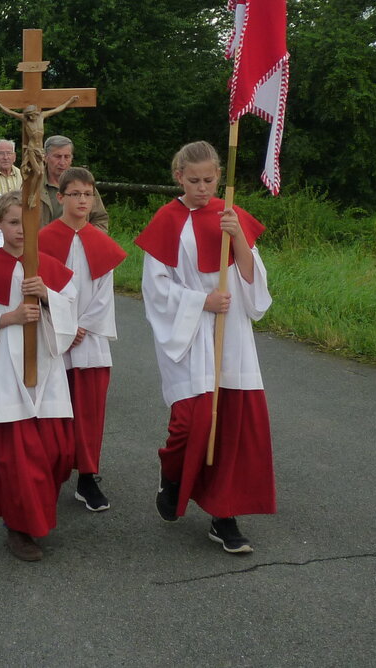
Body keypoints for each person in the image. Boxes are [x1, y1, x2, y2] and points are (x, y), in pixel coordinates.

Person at [135, 140, 275, 555]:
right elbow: (155, 289)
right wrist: (200, 302)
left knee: (230, 427)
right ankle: (173, 474)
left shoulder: (231, 216)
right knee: (190, 422)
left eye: (209, 180)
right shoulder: (168, 219)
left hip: (230, 334)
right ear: (179, 177)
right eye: (193, 180)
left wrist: (241, 241)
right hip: (190, 333)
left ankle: (223, 514)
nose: (202, 188)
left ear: (219, 177)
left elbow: (255, 287)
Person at [0, 191, 76, 562]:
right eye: (13, 222)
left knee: (58, 451)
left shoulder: (48, 265)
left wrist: (46, 297)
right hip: (7, 374)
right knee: (19, 458)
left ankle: (36, 512)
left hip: (47, 369)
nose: (21, 230)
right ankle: (19, 527)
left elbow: (70, 312)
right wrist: (9, 318)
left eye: (27, 222)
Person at [39, 166, 127, 513]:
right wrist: (62, 325)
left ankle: (87, 477)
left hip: (88, 342)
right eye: (74, 194)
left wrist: (81, 327)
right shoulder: (43, 239)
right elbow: (36, 285)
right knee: (54, 410)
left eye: (87, 194)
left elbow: (104, 294)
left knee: (89, 412)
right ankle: (50, 472)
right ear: (60, 197)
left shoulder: (101, 242)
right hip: (51, 339)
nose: (82, 201)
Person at [40, 135, 110, 230]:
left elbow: (100, 219)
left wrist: (88, 240)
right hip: (42, 242)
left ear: (72, 158)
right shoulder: (33, 185)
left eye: (67, 157)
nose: (62, 162)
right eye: (57, 156)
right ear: (45, 157)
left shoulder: (84, 183)